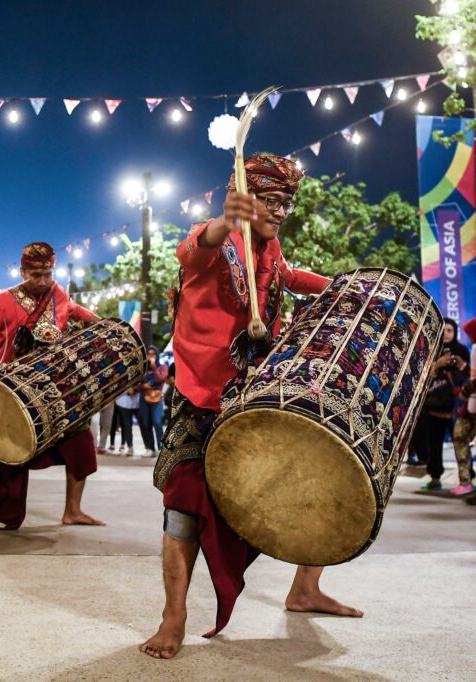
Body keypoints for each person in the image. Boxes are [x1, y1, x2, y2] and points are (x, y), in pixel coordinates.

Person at [141, 154, 361, 660]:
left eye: (288, 203)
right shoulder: (216, 240)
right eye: (273, 201)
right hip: (200, 400)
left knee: (323, 477)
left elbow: (289, 275)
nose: (282, 211)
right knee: (183, 509)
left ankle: (305, 588)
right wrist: (225, 221)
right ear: (247, 196)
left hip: (257, 397)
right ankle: (173, 616)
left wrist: (347, 289)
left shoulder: (271, 249)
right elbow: (191, 252)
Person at [0, 242, 105, 533]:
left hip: (47, 387)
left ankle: (73, 510)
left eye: (46, 274)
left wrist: (102, 323)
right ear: (22, 271)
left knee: (80, 439)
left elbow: (72, 309)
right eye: (35, 275)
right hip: (4, 387)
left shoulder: (58, 293)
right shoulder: (1, 302)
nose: (42, 281)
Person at [416, 318, 468, 490]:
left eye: (450, 330)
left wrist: (460, 365)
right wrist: (437, 365)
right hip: (434, 407)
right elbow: (422, 377)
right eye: (443, 330)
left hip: (456, 407)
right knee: (434, 445)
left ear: (455, 332)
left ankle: (466, 479)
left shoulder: (462, 350)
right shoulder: (432, 350)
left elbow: (468, 376)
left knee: (461, 443)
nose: (446, 334)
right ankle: (435, 477)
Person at [450, 317, 476, 497]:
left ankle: (466, 482)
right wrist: (464, 367)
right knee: (459, 436)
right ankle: (465, 481)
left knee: (459, 436)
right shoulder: (473, 350)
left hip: (471, 402)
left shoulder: (475, 349)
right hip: (471, 405)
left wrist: (466, 391)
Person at [138, 346, 167, 457]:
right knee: (146, 423)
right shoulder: (143, 368)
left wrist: (154, 366)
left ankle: (161, 448)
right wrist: (142, 386)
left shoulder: (162, 367)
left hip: (156, 398)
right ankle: (149, 448)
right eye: (149, 354)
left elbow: (161, 379)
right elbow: (136, 384)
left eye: (153, 354)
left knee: (157, 422)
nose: (151, 356)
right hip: (144, 397)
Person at [114, 388, 137, 456]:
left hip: (138, 401)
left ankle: (151, 448)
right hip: (123, 403)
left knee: (145, 424)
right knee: (127, 426)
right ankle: (130, 447)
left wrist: (136, 389)